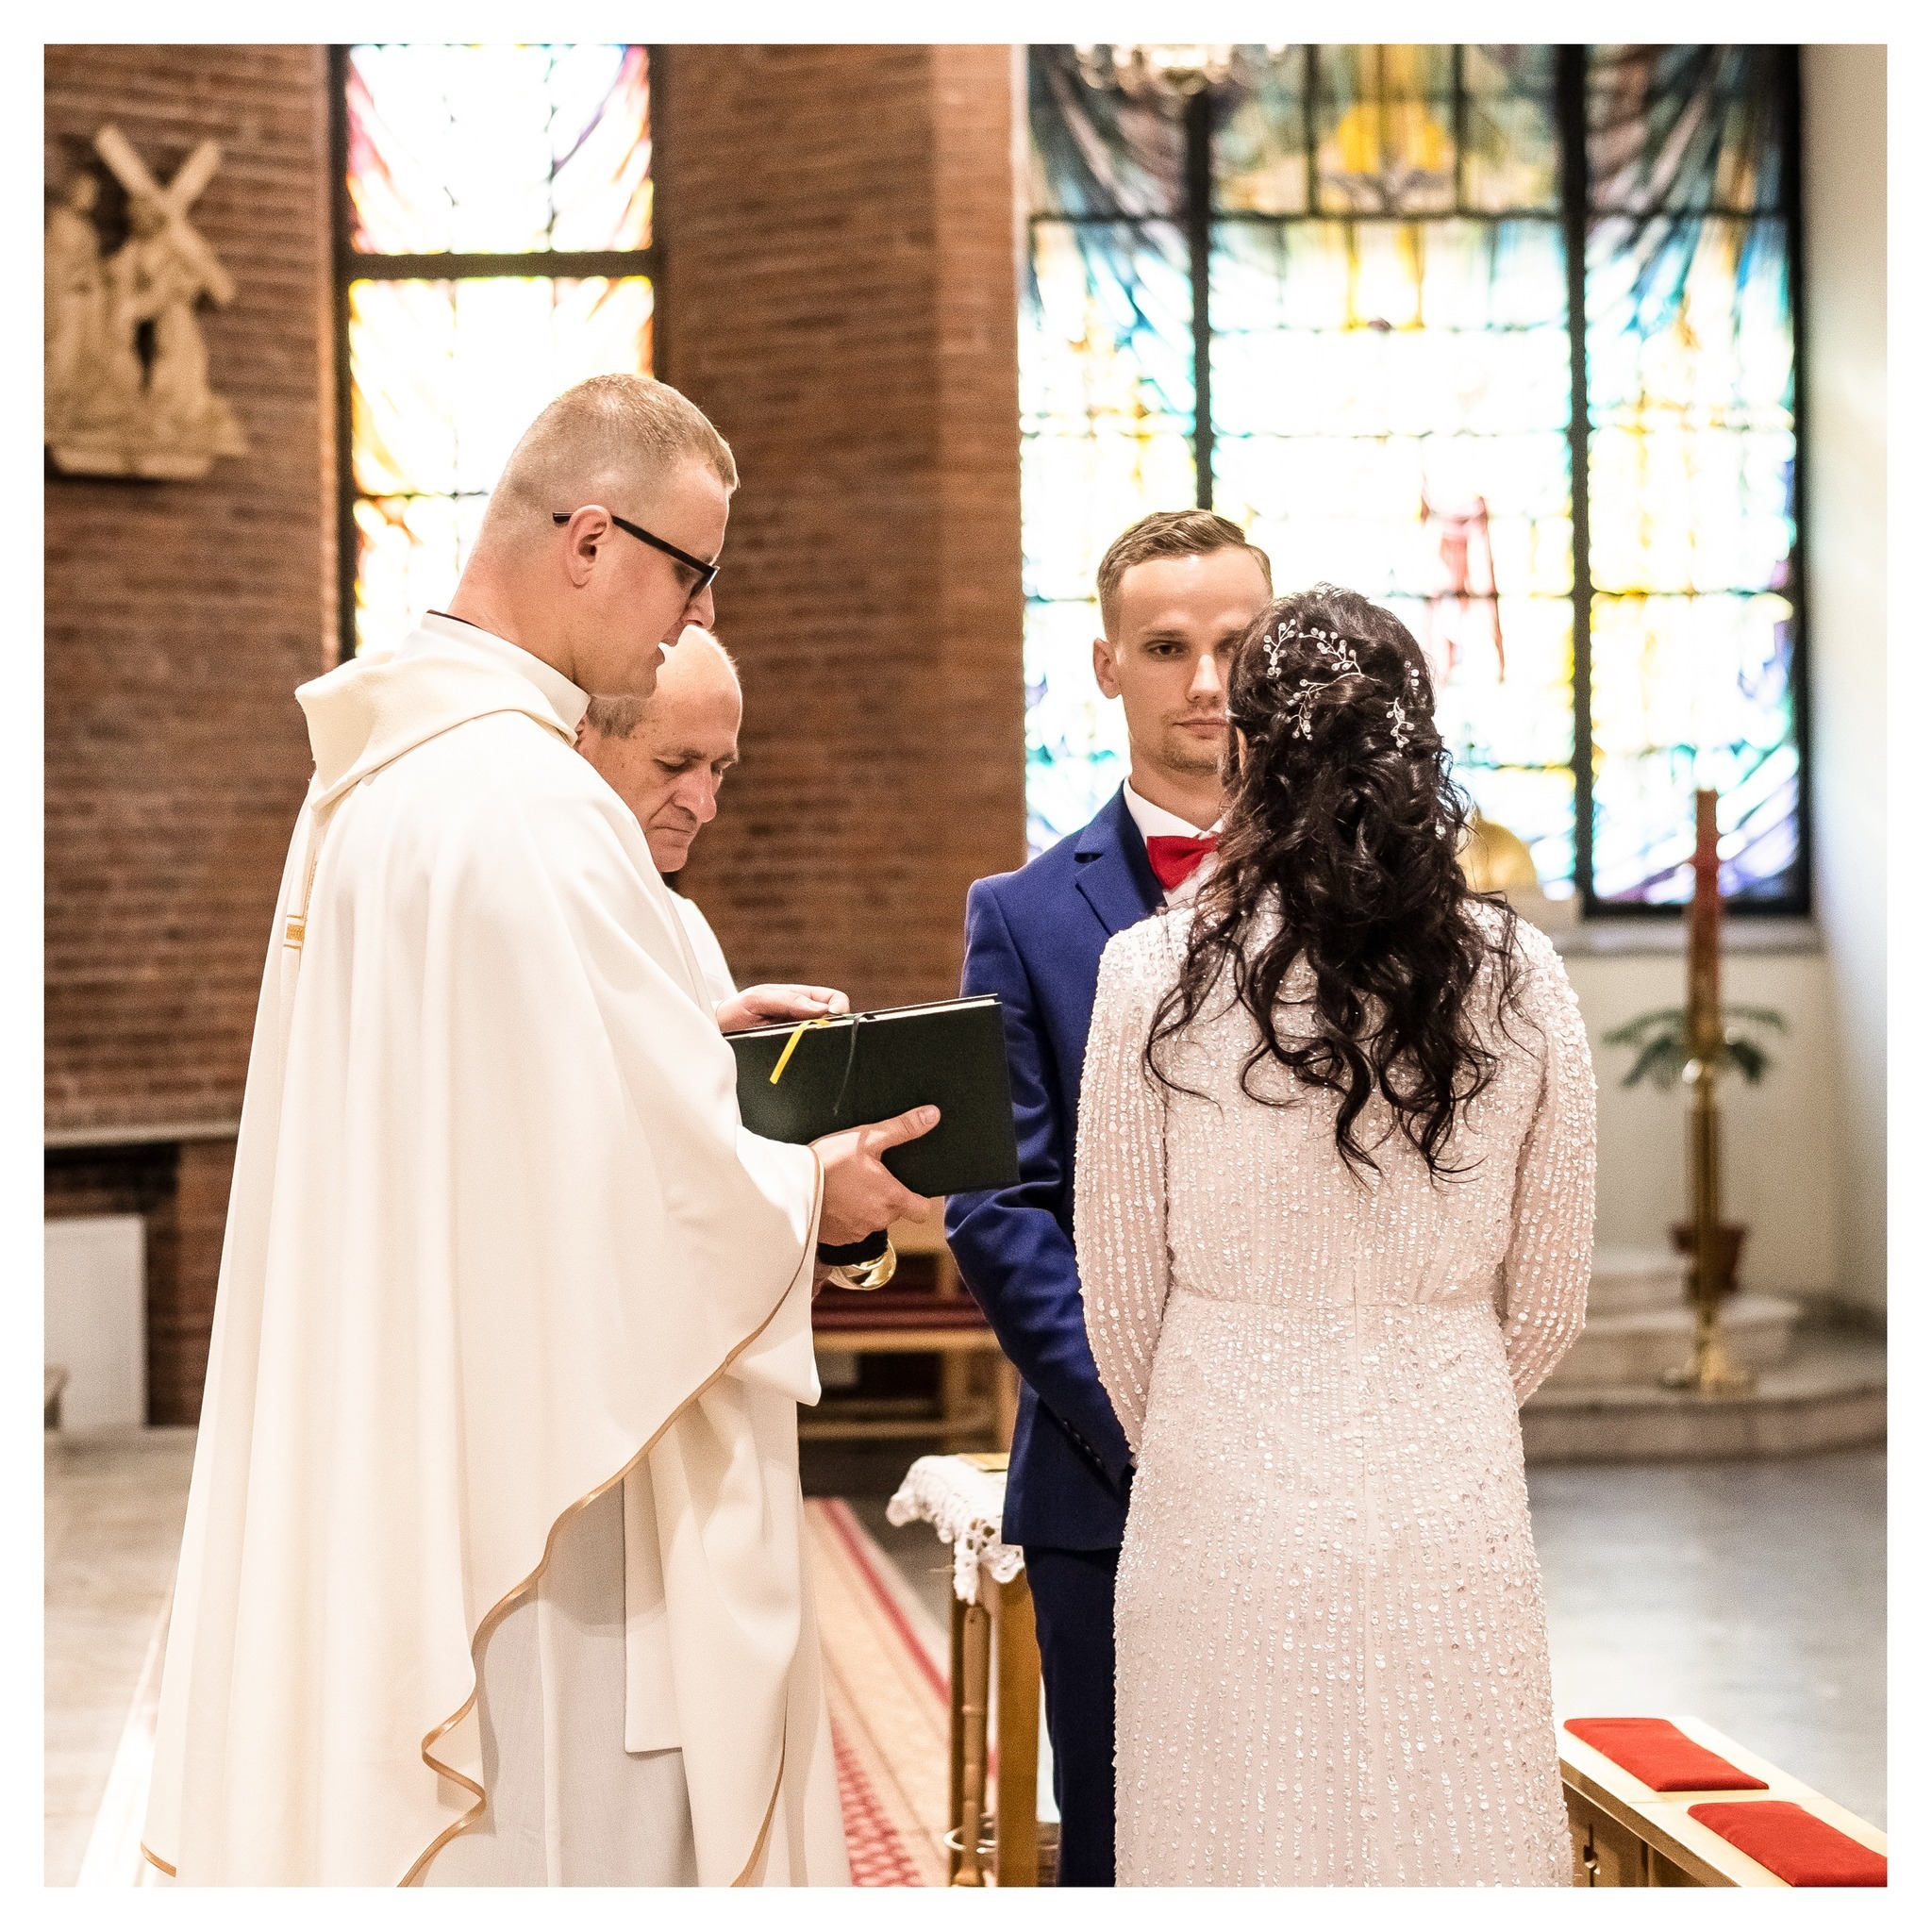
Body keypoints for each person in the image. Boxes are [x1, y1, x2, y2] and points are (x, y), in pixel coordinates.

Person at [142, 374, 936, 1886]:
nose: (689, 621)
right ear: (588, 539)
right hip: (541, 1528)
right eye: (689, 572)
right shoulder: (527, 800)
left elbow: (496, 1115)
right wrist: (811, 1189)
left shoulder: (382, 782)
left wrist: (690, 1062)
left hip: (414, 1432)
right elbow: (634, 1207)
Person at [1075, 585, 1594, 1886]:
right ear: (1421, 749)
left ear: (1246, 748)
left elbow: (1121, 1296)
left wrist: (1227, 1414)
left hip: (1220, 1485)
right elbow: (1548, 1298)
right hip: (1446, 1482)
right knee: (1443, 1841)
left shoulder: (1150, 974)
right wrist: (1432, 1384)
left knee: (1233, 1842)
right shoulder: (1521, 978)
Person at [943, 510, 1273, 1884]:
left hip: (1309, 1472)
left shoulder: (1370, 907)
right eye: (1168, 647)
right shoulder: (1020, 914)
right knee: (1126, 1850)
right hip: (1102, 1481)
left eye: (1238, 646)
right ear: (1106, 667)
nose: (1207, 681)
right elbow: (997, 1203)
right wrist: (1146, 1420)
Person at [576, 625, 841, 1027]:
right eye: (674, 764)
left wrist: (727, 1033)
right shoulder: (520, 904)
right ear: (581, 738)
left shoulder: (686, 924)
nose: (704, 806)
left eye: (718, 769)